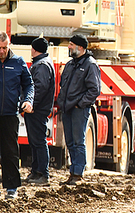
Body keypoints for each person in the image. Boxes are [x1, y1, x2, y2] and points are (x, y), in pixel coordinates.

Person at [57, 34, 101, 186]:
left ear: (80, 47)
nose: (69, 47)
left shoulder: (90, 65)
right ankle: (72, 173)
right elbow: (63, 85)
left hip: (79, 110)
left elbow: (94, 90)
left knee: (78, 141)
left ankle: (78, 174)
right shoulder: (70, 64)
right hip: (68, 109)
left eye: (71, 44)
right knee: (70, 141)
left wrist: (80, 104)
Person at [0, 31, 34, 199]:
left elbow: (29, 85)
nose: (1, 51)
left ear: (9, 45)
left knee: (10, 152)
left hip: (9, 114)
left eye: (4, 48)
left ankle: (11, 188)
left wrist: (28, 101)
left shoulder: (18, 62)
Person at [24, 37, 55, 186]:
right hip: (37, 109)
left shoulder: (41, 65)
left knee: (39, 142)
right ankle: (36, 171)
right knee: (35, 141)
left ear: (34, 49)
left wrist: (30, 104)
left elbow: (39, 88)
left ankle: (43, 173)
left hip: (37, 110)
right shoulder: (43, 63)